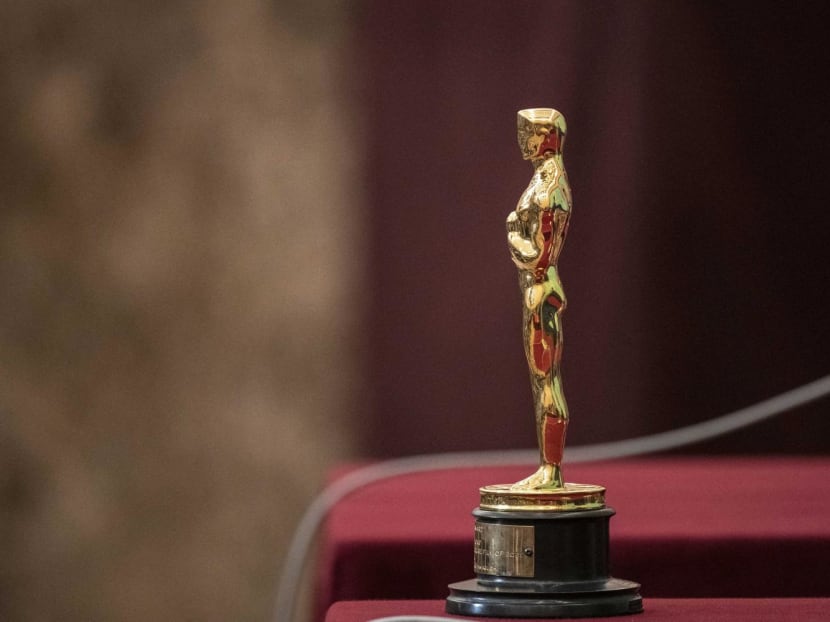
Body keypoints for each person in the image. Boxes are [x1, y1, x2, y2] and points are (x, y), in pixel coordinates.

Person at [506, 108, 572, 490]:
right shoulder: (544, 180)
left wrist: (512, 233)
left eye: (527, 133)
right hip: (538, 289)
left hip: (541, 288)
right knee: (542, 381)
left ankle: (551, 471)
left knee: (546, 381)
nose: (522, 140)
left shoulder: (550, 191)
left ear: (545, 138)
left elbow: (538, 256)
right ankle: (548, 468)